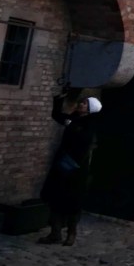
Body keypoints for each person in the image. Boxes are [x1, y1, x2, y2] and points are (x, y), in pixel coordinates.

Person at [39, 90, 102, 246]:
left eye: (84, 103)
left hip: (76, 168)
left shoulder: (90, 124)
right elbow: (57, 115)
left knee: (73, 201)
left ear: (90, 108)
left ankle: (71, 233)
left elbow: (84, 142)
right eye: (81, 102)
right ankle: (55, 233)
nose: (81, 104)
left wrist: (73, 126)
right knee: (55, 197)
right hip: (62, 164)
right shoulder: (73, 119)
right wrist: (59, 99)